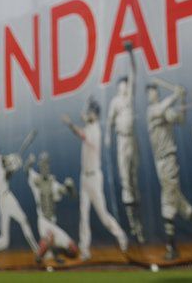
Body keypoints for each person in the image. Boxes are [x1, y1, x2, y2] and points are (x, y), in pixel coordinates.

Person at [146, 79, 192, 260]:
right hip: (159, 163)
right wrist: (177, 94)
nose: (151, 93)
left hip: (168, 160)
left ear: (157, 93)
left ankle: (171, 248)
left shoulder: (165, 109)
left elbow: (181, 119)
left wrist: (183, 100)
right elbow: (161, 110)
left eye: (153, 91)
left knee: (167, 203)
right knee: (182, 206)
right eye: (149, 92)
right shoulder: (152, 110)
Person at [62, 97, 128, 261]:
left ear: (96, 115)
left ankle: (121, 236)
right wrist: (88, 106)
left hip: (94, 179)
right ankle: (85, 250)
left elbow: (81, 133)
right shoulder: (90, 124)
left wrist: (70, 123)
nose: (88, 114)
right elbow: (84, 117)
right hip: (84, 177)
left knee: (103, 216)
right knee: (83, 215)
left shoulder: (95, 130)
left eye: (91, 111)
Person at [105, 41, 144, 244]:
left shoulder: (129, 96)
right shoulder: (115, 102)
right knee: (125, 181)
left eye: (126, 85)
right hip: (122, 141)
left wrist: (131, 55)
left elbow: (134, 72)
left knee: (134, 179)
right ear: (118, 87)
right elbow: (110, 122)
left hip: (132, 141)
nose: (125, 87)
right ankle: (132, 224)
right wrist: (107, 137)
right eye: (122, 85)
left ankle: (139, 224)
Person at [0, 136, 40, 262]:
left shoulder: (0, 158)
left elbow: (6, 164)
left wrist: (15, 161)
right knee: (5, 241)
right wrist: (14, 166)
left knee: (24, 220)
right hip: (2, 201)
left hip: (8, 196)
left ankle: (37, 251)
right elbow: (6, 173)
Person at [26, 152, 79, 263]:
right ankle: (39, 258)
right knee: (49, 237)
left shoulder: (53, 183)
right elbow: (27, 170)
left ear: (49, 166)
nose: (45, 167)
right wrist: (29, 162)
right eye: (42, 164)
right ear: (40, 166)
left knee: (74, 250)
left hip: (53, 223)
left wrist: (71, 187)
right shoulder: (36, 180)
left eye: (46, 164)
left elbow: (71, 195)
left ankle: (54, 252)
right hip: (43, 222)